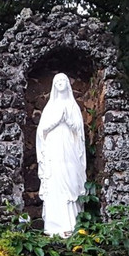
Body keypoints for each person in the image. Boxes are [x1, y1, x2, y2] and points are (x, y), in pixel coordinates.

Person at [36, 73, 87, 236]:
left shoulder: (73, 106)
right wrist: (58, 120)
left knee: (70, 181)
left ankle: (71, 224)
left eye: (63, 81)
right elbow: (42, 131)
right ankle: (54, 225)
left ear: (67, 84)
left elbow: (79, 131)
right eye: (56, 81)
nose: (60, 84)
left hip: (69, 149)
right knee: (54, 182)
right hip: (53, 149)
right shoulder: (50, 107)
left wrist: (68, 120)